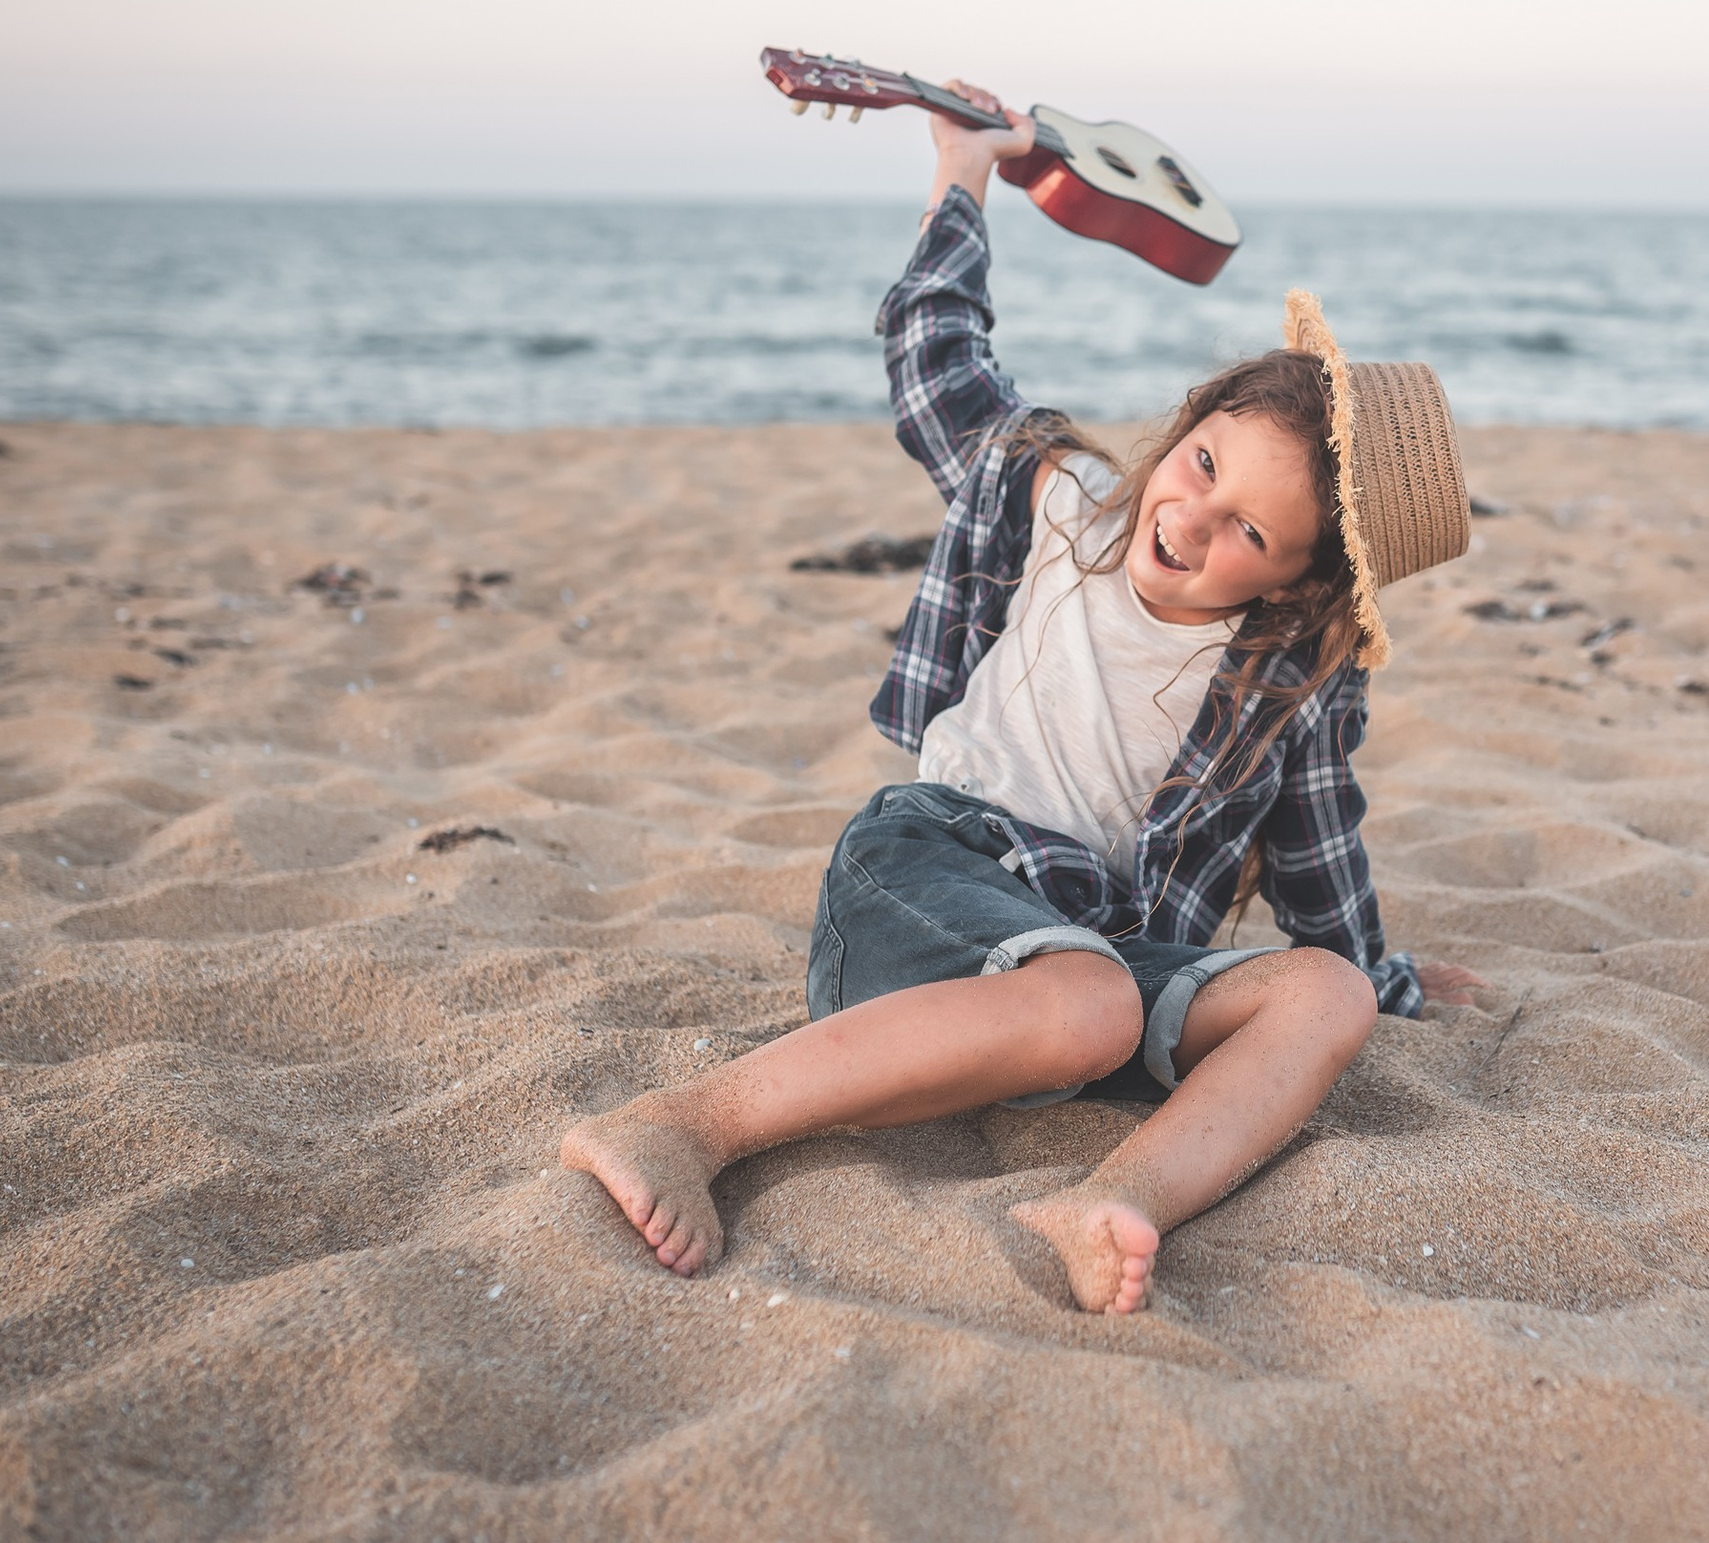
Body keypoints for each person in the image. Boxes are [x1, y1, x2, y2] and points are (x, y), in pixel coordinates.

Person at [563, 82, 1487, 1314]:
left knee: (1325, 992)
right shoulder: (1059, 504)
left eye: (1247, 529)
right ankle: (692, 1119)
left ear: (1299, 579)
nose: (1188, 517)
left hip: (1093, 950)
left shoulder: (1287, 691)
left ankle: (1119, 1196)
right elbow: (934, 356)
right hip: (934, 872)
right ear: (1190, 420)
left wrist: (1392, 976)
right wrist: (964, 175)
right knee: (1091, 1004)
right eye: (1201, 462)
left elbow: (1322, 870)